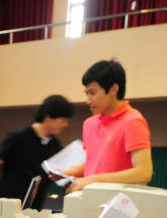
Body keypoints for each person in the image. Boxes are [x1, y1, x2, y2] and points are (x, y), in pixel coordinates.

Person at [60, 59, 153, 193]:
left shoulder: (132, 120)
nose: (88, 100)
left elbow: (144, 172)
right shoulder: (89, 123)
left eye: (92, 93)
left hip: (118, 205)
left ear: (113, 89)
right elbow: (94, 163)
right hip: (89, 198)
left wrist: (92, 180)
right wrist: (66, 173)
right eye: (86, 93)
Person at [0, 95, 74, 208]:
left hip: (35, 206)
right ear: (48, 117)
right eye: (64, 120)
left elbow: (54, 173)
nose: (66, 125)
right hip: (8, 203)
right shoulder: (17, 137)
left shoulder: (54, 144)